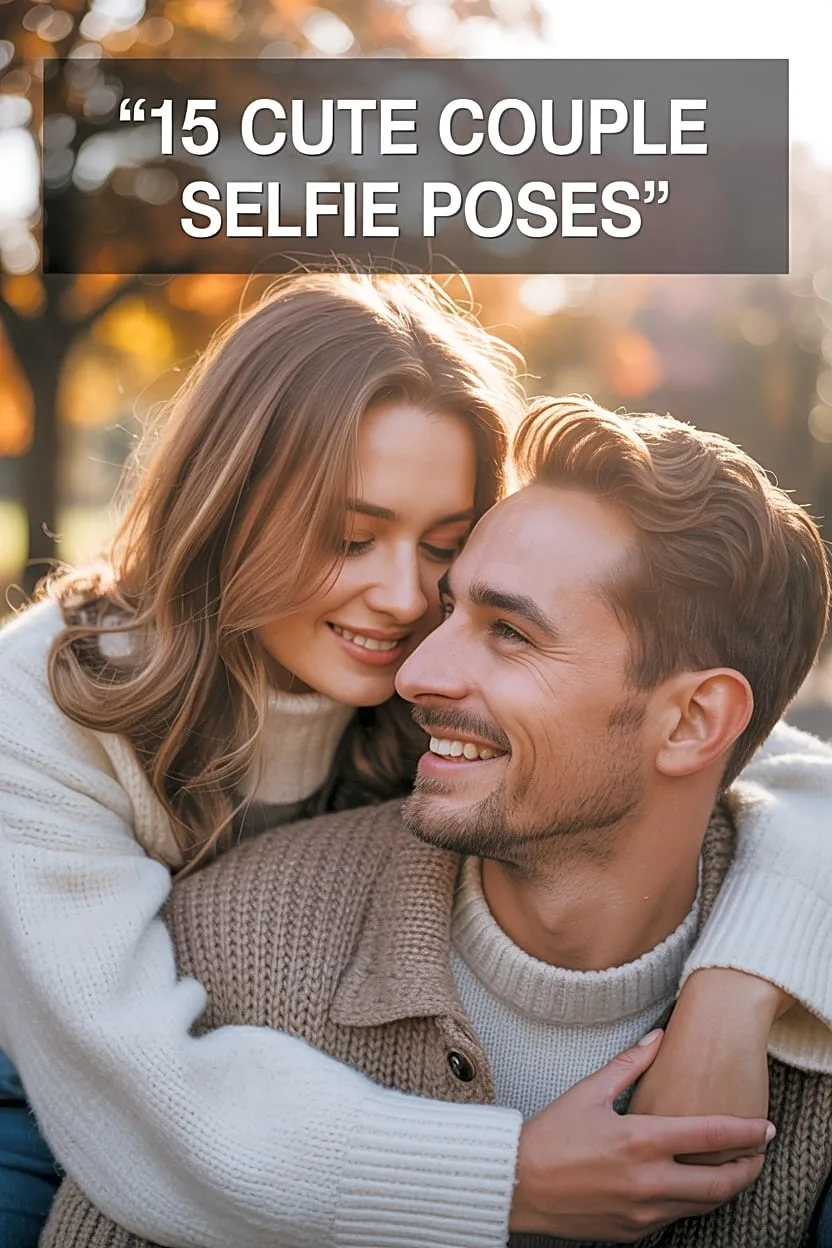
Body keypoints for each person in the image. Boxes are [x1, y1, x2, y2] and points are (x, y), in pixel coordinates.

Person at [0, 278, 830, 1248]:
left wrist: (734, 988)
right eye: (350, 537)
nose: (402, 599)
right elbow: (147, 1108)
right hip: (55, 1061)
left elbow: (759, 755)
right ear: (228, 500)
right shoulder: (57, 698)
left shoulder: (426, 654)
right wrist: (505, 1183)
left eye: (444, 546)